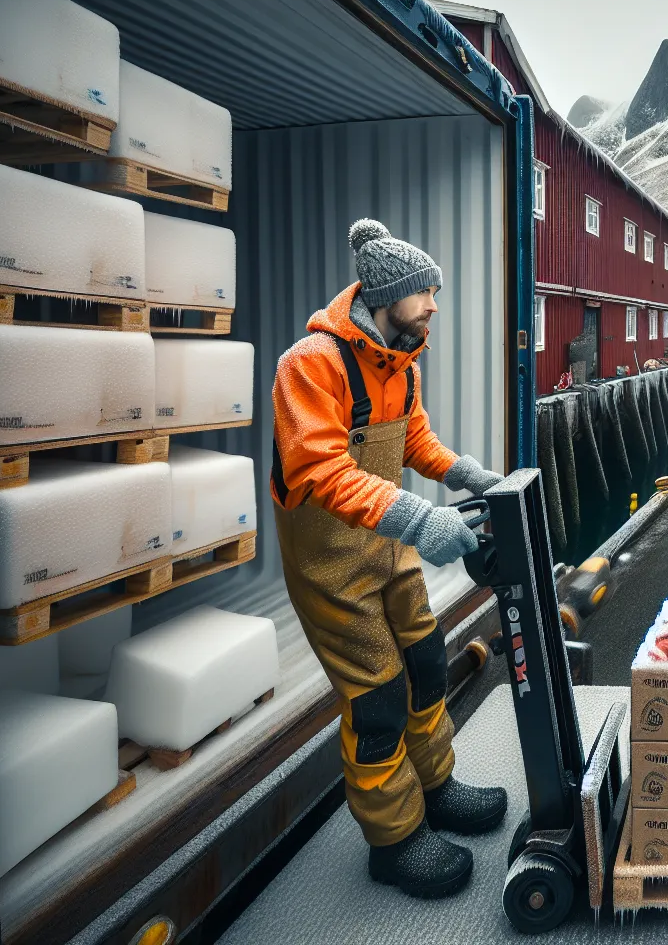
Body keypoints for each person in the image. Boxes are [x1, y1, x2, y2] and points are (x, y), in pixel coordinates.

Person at [269, 218, 506, 899]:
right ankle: (395, 839)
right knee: (376, 702)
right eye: (425, 290)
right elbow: (315, 468)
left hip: (384, 545)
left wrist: (468, 475)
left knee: (429, 663)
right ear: (388, 294)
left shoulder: (399, 359)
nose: (435, 302)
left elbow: (413, 442)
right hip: (330, 563)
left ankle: (435, 788)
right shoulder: (308, 365)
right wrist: (418, 517)